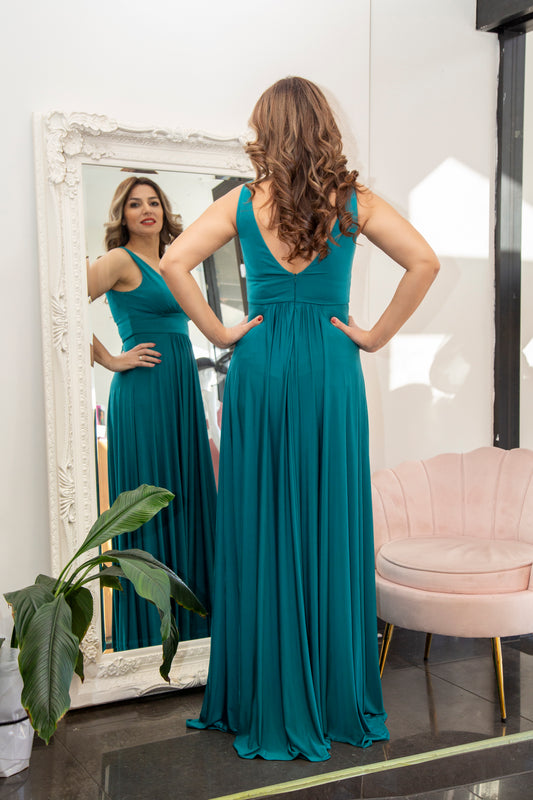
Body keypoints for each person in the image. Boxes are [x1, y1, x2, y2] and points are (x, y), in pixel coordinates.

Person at [160, 77, 440, 761]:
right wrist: (371, 337)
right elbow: (423, 262)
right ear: (322, 128)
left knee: (260, 519)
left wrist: (221, 333)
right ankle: (332, 693)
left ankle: (261, 693)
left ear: (265, 130)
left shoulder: (241, 203)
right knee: (327, 517)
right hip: (327, 364)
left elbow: (172, 260)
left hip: (259, 364)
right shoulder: (353, 201)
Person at [87, 177, 216, 651]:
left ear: (164, 210)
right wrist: (113, 359)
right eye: (135, 204)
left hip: (181, 391)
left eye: (154, 202)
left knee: (185, 497)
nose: (147, 210)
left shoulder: (177, 256)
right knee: (149, 506)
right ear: (122, 215)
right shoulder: (120, 260)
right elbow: (59, 303)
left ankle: (196, 633)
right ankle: (147, 636)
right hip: (142, 395)